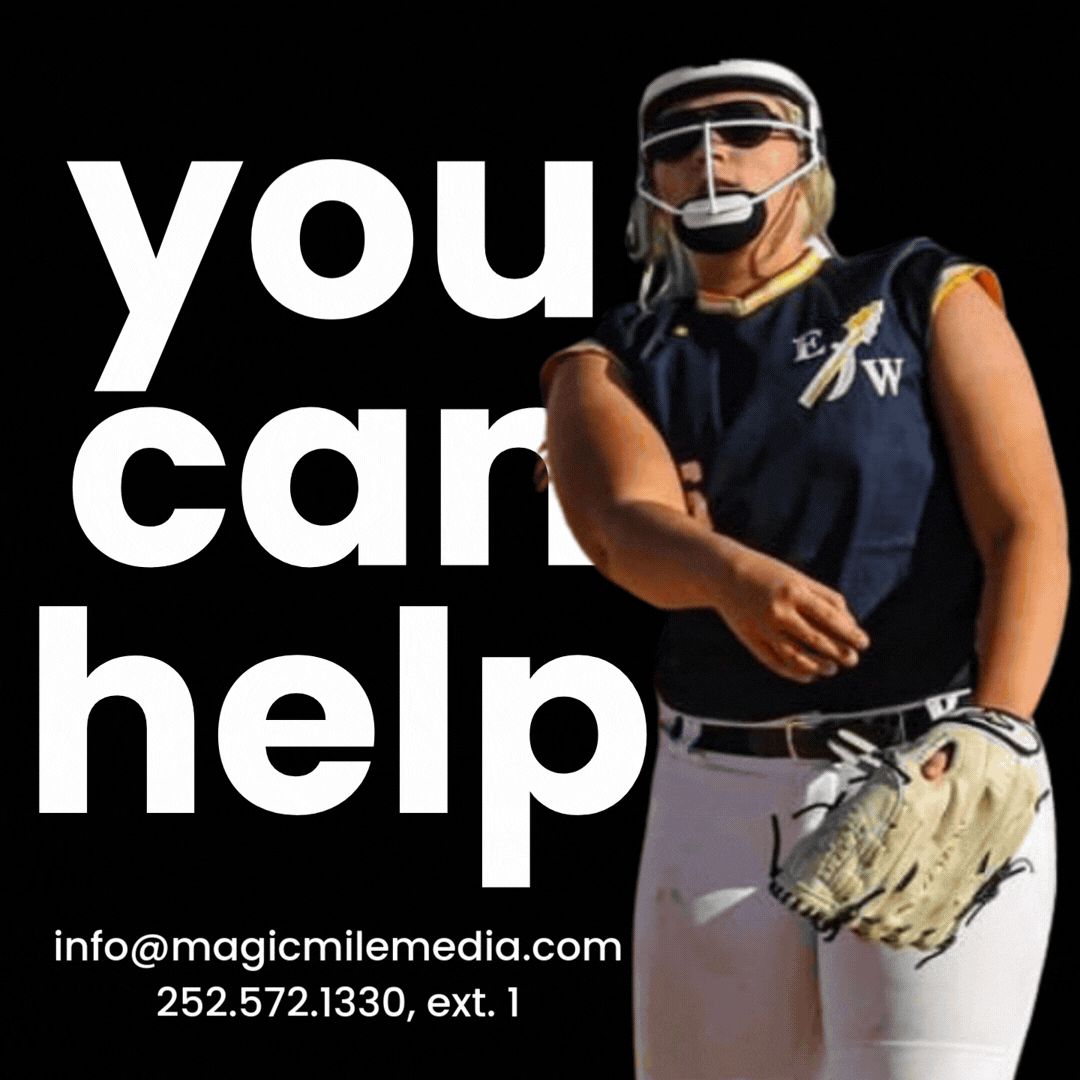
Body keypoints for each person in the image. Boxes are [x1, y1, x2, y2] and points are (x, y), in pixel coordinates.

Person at [540, 60, 1066, 1080]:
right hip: (714, 784)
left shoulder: (919, 290)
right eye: (677, 141)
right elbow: (618, 524)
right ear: (647, 178)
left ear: (808, 153)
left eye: (745, 128)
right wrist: (727, 572)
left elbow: (1028, 527)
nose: (711, 156)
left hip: (927, 761)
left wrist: (998, 724)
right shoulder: (617, 356)